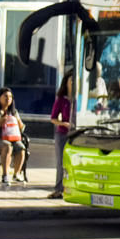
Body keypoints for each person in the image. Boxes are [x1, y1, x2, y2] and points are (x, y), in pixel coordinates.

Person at [0, 88, 26, 186]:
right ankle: (5, 175)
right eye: (5, 96)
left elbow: (21, 130)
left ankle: (17, 174)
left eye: (10, 97)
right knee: (7, 147)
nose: (8, 99)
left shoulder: (13, 112)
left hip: (11, 138)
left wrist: (19, 123)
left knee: (21, 148)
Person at [48, 71, 74, 199]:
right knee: (61, 162)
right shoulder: (62, 99)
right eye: (71, 80)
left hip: (76, 134)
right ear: (66, 82)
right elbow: (53, 118)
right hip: (62, 134)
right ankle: (58, 189)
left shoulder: (78, 98)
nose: (74, 83)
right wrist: (63, 123)